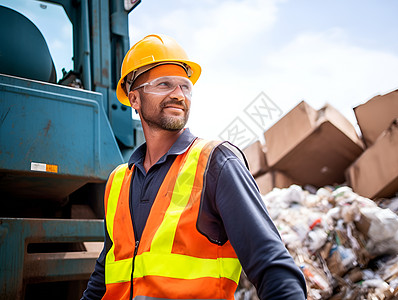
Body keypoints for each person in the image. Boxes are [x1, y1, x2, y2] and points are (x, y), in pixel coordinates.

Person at [81, 34, 307, 300]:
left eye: (185, 86)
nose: (178, 95)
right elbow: (104, 275)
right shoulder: (118, 181)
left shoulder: (216, 162)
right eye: (164, 84)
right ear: (135, 99)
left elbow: (273, 267)